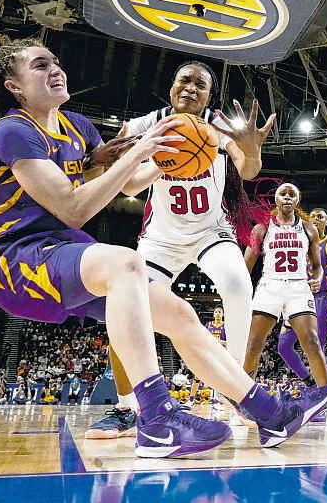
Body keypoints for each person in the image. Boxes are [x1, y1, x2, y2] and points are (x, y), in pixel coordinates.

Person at [0, 33, 327, 456]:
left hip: (62, 251)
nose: (55, 69)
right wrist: (140, 149)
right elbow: (73, 207)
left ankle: (270, 414)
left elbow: (122, 182)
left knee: (178, 313)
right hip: (13, 261)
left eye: (55, 61)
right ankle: (156, 418)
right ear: (14, 86)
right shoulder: (13, 131)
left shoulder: (78, 127)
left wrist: (168, 159)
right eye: (40, 65)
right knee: (126, 264)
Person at [87, 60, 274, 434]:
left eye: (200, 85)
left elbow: (248, 169)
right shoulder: (144, 125)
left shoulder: (219, 126)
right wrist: (170, 157)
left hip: (211, 231)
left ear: (209, 96)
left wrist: (251, 151)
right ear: (171, 86)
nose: (190, 88)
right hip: (161, 238)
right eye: (184, 80)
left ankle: (236, 389)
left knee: (238, 285)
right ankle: (126, 407)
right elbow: (129, 186)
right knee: (125, 308)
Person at [242, 183, 327, 409]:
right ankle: (244, 402)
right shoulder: (261, 229)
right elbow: (245, 267)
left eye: (292, 194)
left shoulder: (308, 229)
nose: (287, 197)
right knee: (254, 343)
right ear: (275, 199)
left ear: (297, 200)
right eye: (282, 194)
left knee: (311, 341)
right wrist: (241, 295)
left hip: (298, 286)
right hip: (270, 285)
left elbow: (317, 266)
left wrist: (318, 277)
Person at [277, 207, 327, 426]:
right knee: (283, 346)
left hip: (322, 299)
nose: (316, 218)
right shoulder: (299, 242)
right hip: (298, 297)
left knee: (318, 350)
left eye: (321, 216)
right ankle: (311, 385)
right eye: (313, 215)